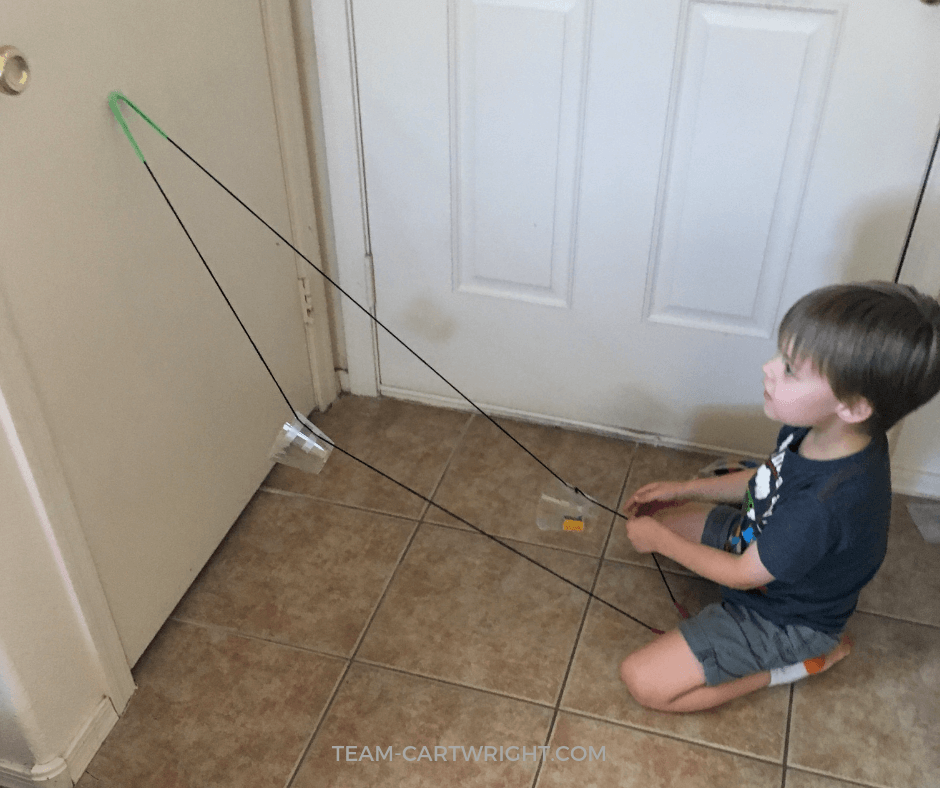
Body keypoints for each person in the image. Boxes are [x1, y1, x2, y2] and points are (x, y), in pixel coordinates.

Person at [619, 281, 940, 713]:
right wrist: (683, 489)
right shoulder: (821, 430)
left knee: (645, 683)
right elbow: (767, 480)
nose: (769, 368)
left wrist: (660, 542)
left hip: (785, 618)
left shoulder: (820, 507)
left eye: (790, 368)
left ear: (853, 406)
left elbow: (741, 576)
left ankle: (802, 662)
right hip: (759, 543)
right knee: (661, 516)